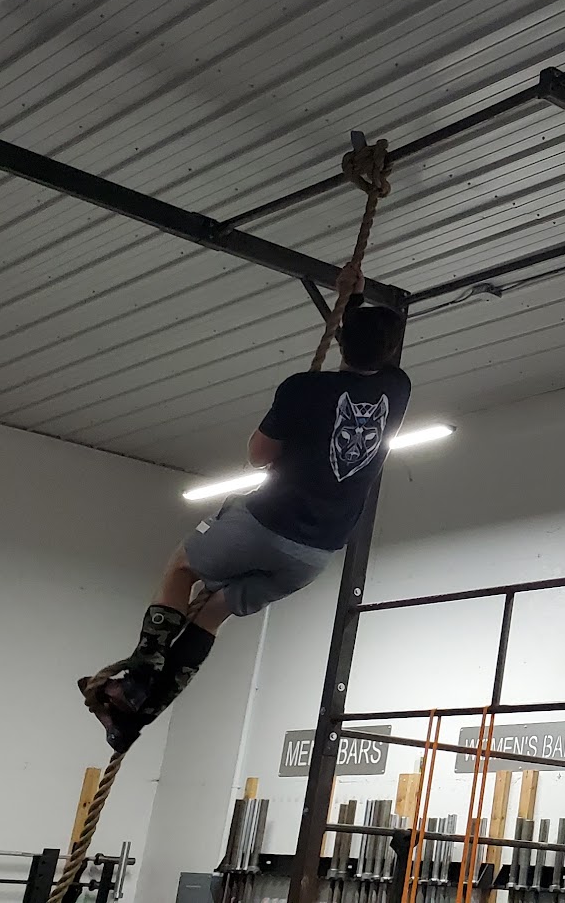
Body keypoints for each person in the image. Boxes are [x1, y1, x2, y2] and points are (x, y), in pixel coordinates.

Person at [82, 274, 410, 750]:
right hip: (315, 556)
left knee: (183, 566)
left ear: (342, 339)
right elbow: (368, 353)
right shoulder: (398, 388)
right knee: (214, 612)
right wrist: (355, 303)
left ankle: (140, 677)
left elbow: (259, 456)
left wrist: (349, 299)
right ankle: (136, 719)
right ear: (391, 351)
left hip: (266, 524)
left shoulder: (302, 389)